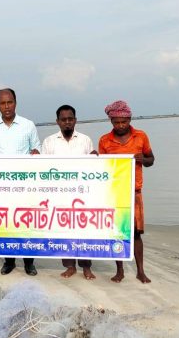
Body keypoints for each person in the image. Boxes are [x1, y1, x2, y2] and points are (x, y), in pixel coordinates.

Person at [0, 88, 41, 276]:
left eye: (10, 102)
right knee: (5, 223)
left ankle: (29, 263)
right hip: (1, 187)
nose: (7, 106)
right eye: (3, 103)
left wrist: (36, 154)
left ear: (16, 102)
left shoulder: (28, 125)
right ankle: (8, 261)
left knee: (26, 223)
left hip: (25, 185)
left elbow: (36, 149)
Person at [98, 99, 155, 283]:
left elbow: (151, 159)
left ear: (130, 119)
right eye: (116, 122)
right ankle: (120, 270)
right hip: (115, 192)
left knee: (136, 233)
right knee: (118, 232)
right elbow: (102, 168)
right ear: (111, 122)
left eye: (124, 122)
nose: (121, 125)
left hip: (135, 190)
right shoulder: (104, 140)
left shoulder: (141, 136)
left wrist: (142, 159)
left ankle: (140, 271)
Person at [41, 104, 97, 280]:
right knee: (64, 231)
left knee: (84, 230)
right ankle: (70, 266)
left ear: (75, 120)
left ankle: (86, 266)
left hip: (82, 196)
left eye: (70, 119)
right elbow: (43, 170)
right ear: (57, 122)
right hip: (59, 196)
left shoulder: (85, 140)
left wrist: (97, 157)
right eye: (63, 119)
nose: (67, 122)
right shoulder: (49, 142)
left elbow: (94, 168)